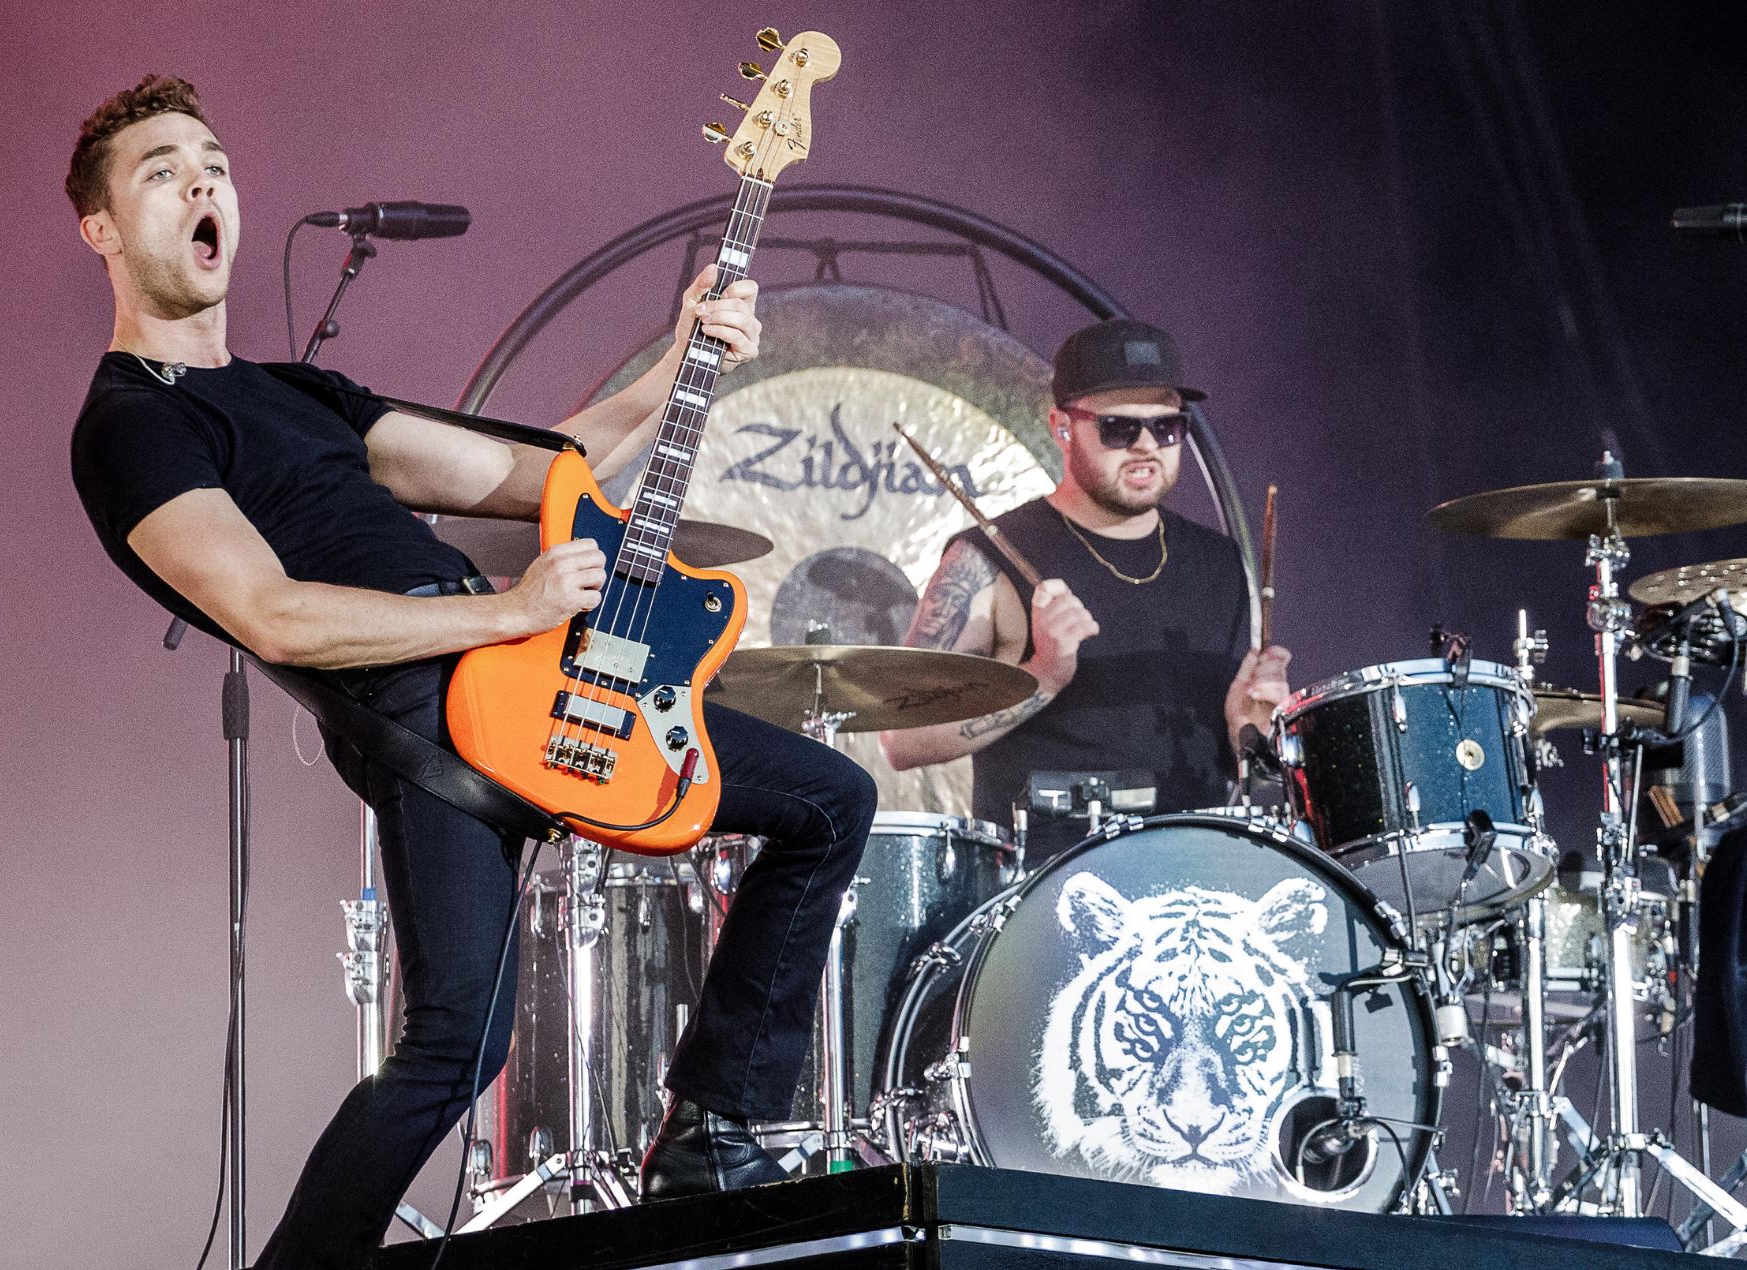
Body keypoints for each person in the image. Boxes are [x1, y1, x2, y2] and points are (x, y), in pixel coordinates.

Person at [64, 75, 874, 1269]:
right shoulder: (131, 421)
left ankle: (709, 1132)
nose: (201, 185)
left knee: (830, 798)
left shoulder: (298, 393)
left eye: (215, 165)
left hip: (525, 671)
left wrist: (680, 357)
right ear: (100, 228)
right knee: (455, 1045)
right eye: (162, 172)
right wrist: (507, 610)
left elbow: (538, 470)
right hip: (429, 714)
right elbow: (270, 614)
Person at [880, 318, 1290, 861]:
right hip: (1050, 885)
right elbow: (901, 740)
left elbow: (1249, 778)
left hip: (1196, 877)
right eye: (1119, 428)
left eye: (1167, 427)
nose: (1146, 446)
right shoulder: (987, 558)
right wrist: (1043, 676)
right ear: (1062, 427)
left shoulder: (1220, 562)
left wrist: (1249, 733)